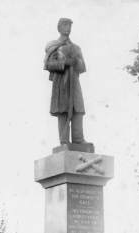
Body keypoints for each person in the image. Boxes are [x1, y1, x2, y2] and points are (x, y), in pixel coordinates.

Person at [44, 18, 92, 146]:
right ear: (59, 28)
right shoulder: (54, 46)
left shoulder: (76, 48)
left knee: (78, 109)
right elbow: (49, 64)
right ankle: (64, 140)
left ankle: (78, 138)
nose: (68, 27)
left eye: (70, 25)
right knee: (64, 110)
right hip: (62, 82)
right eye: (65, 25)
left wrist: (76, 61)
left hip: (74, 82)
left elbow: (82, 68)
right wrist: (64, 63)